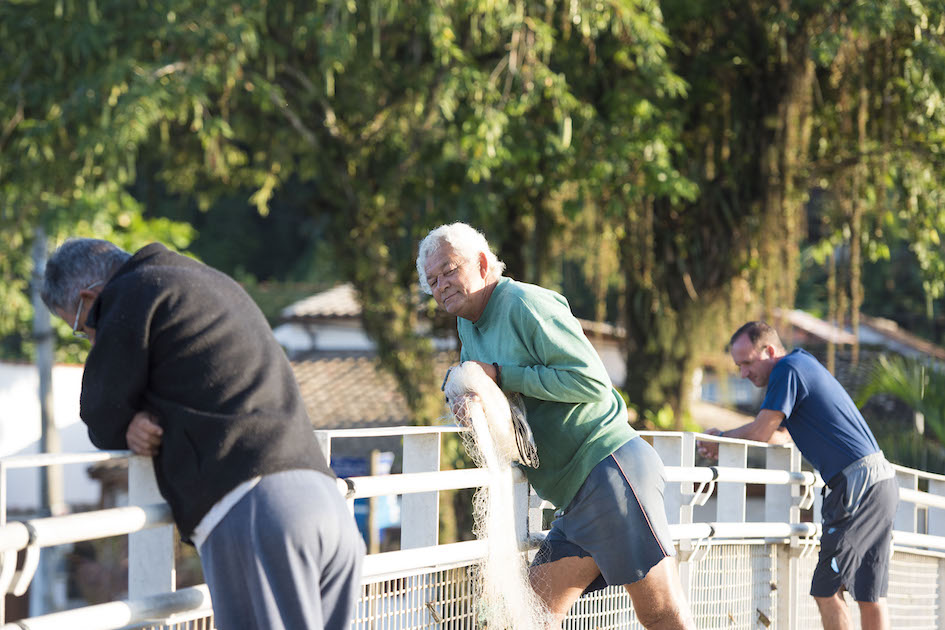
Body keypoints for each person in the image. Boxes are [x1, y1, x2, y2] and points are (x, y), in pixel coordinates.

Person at [41, 238, 364, 630]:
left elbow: (100, 413)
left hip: (258, 512)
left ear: (90, 296)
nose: (92, 339)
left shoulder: (130, 293)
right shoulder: (205, 280)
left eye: (80, 329)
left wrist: (126, 420)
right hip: (325, 503)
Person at [416, 223, 695, 630]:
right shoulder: (467, 325)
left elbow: (590, 381)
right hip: (573, 495)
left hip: (608, 469)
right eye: (432, 280)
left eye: (449, 270)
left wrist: (500, 375)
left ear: (480, 262)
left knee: (660, 613)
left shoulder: (524, 303)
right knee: (519, 617)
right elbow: (495, 394)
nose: (441, 286)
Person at [699, 321, 898, 630]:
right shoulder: (803, 365)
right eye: (739, 366)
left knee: (826, 590)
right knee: (870, 594)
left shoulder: (787, 369)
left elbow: (762, 432)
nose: (743, 373)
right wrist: (727, 440)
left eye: (747, 363)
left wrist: (720, 438)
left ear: (768, 350)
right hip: (882, 481)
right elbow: (780, 436)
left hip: (856, 486)